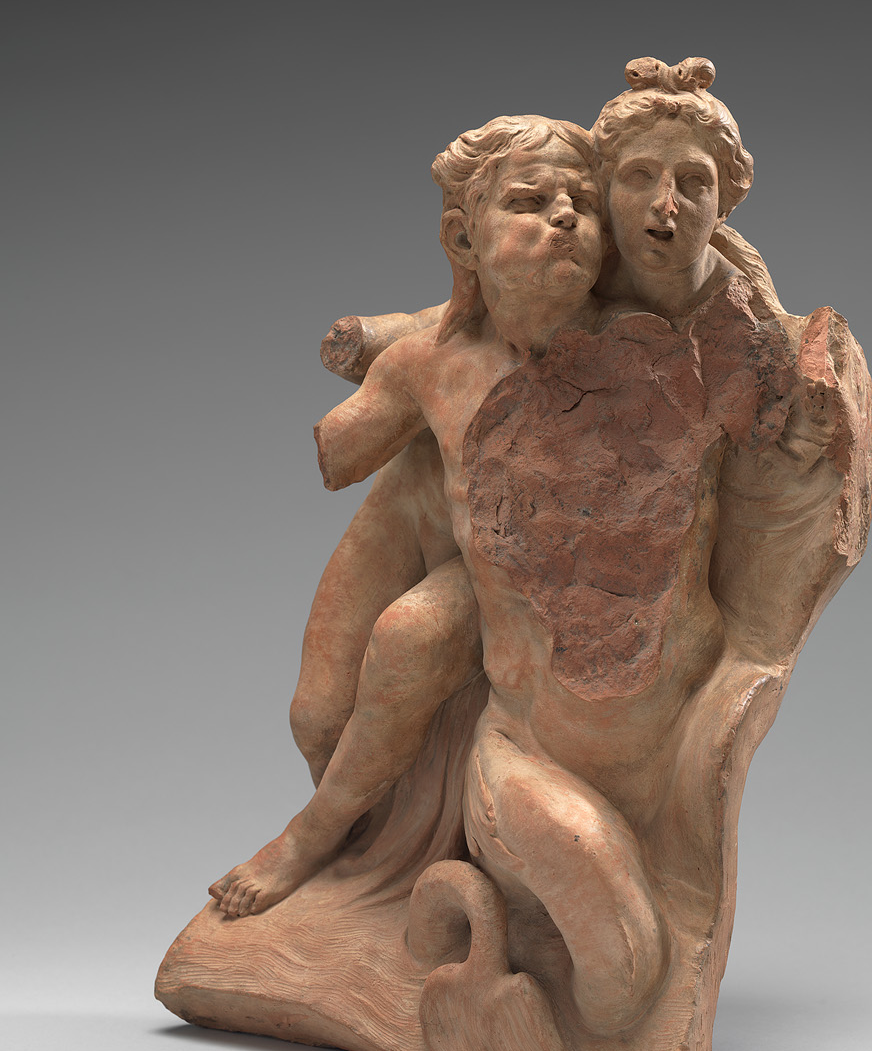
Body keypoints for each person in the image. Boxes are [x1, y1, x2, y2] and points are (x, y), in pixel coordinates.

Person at [208, 113, 610, 919]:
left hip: (510, 575)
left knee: (408, 637)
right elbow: (335, 459)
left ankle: (308, 838)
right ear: (462, 239)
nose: (565, 216)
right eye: (530, 201)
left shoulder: (623, 354)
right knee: (316, 715)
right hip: (421, 520)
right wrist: (401, 356)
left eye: (584, 203)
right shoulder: (434, 363)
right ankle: (373, 852)